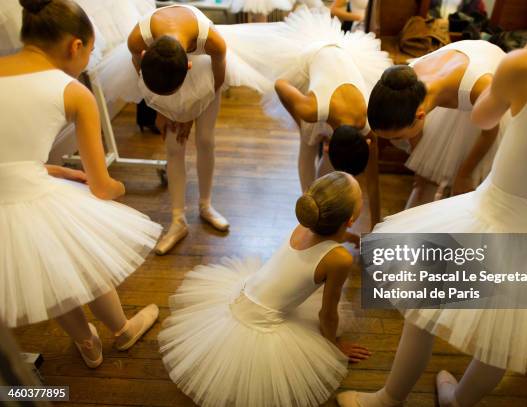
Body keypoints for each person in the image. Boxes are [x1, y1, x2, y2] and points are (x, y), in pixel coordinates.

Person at [337, 0, 527, 406]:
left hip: (498, 212)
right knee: (507, 335)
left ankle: (389, 398)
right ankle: (459, 401)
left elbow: (485, 119)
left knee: (422, 309)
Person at [0, 0, 161, 368]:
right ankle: (122, 330)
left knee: (49, 273)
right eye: (91, 52)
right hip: (30, 196)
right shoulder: (73, 92)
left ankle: (86, 342)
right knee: (82, 259)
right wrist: (119, 188)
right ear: (76, 46)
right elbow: (102, 188)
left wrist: (57, 172)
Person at [159, 172, 371, 407]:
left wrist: (348, 236)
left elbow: (326, 239)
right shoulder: (339, 259)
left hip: (244, 294)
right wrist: (333, 345)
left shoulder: (304, 224)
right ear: (350, 219)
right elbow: (327, 314)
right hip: (262, 323)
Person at [219, 7, 392, 226]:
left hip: (344, 57)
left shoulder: (370, 122)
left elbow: (373, 182)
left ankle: (325, 201)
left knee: (321, 149)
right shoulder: (311, 108)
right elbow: (280, 84)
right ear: (327, 147)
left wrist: (376, 227)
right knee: (308, 141)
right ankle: (310, 207)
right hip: (310, 57)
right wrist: (300, 122)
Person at [124, 4, 269, 255]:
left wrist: (188, 115)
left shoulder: (213, 43)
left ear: (186, 69)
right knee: (173, 145)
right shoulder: (137, 41)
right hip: (161, 74)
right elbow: (145, 82)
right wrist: (164, 110)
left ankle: (206, 205)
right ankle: (177, 219)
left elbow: (217, 83)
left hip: (208, 75)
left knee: (205, 140)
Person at [368, 39, 507, 208]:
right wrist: (421, 170)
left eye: (399, 136)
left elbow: (489, 132)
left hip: (488, 79)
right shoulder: (402, 86)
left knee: (466, 187)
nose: (394, 142)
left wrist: (464, 175)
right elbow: (415, 135)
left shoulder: (479, 88)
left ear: (420, 115)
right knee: (425, 179)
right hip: (449, 75)